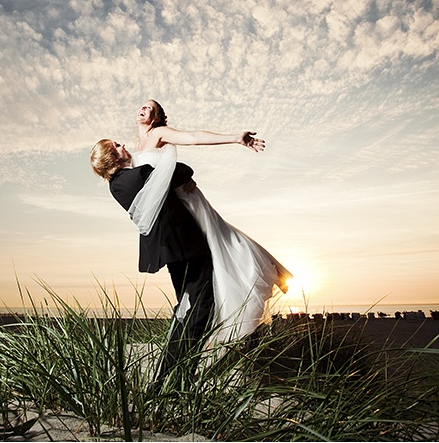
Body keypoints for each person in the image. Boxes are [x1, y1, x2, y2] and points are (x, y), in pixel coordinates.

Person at [133, 100, 292, 344]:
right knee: (210, 253)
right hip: (172, 209)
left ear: (156, 118)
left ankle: (267, 271)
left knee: (219, 242)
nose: (143, 108)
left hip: (186, 201)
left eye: (150, 107)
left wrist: (235, 138)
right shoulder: (136, 146)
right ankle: (204, 318)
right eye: (142, 106)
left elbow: (194, 137)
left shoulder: (159, 133)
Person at [91, 139, 215, 380]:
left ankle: (168, 375)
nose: (123, 144)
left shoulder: (117, 186)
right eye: (117, 145)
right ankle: (179, 374)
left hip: (170, 249)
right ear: (113, 157)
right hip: (184, 244)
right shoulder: (139, 175)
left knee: (186, 306)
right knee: (202, 305)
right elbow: (183, 171)